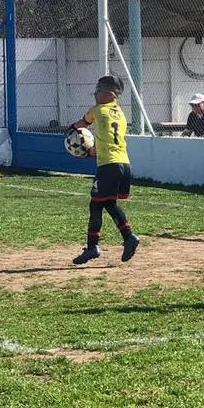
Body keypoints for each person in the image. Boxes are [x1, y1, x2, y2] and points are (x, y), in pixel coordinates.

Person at [67, 75, 140, 265]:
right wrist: (93, 151)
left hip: (108, 165)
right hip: (123, 163)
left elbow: (83, 123)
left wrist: (71, 129)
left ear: (109, 94)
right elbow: (107, 138)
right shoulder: (121, 114)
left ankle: (93, 248)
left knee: (95, 205)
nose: (95, 95)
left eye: (97, 91)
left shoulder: (97, 110)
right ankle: (128, 238)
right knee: (108, 204)